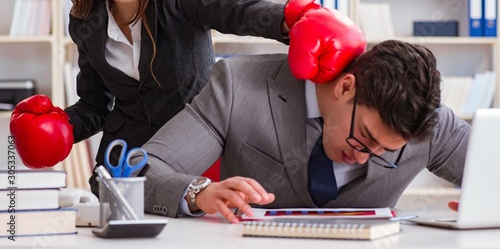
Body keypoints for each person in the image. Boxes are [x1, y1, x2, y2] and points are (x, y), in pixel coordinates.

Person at [9, 0, 366, 194]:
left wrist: (293, 19)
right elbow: (97, 104)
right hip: (124, 166)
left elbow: (233, 10)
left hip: (195, 155)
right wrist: (63, 127)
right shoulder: (85, 22)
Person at [135, 40, 469, 223]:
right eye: (364, 139)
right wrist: (198, 194)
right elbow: (139, 171)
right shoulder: (239, 86)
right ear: (346, 87)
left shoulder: (428, 124)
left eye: (386, 151)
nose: (366, 155)